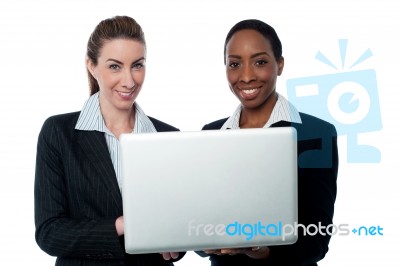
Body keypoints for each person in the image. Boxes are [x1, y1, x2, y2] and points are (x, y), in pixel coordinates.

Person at [34, 16, 184, 265]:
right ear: (91, 65)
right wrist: (120, 226)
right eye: (115, 66)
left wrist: (175, 243)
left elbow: (179, 233)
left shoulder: (169, 137)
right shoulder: (59, 133)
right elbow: (49, 233)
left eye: (137, 65)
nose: (129, 80)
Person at [197, 19, 339, 265]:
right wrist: (204, 244)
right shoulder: (211, 134)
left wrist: (263, 250)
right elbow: (197, 225)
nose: (247, 76)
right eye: (234, 64)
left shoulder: (317, 134)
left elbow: (318, 239)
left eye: (260, 62)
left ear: (280, 64)